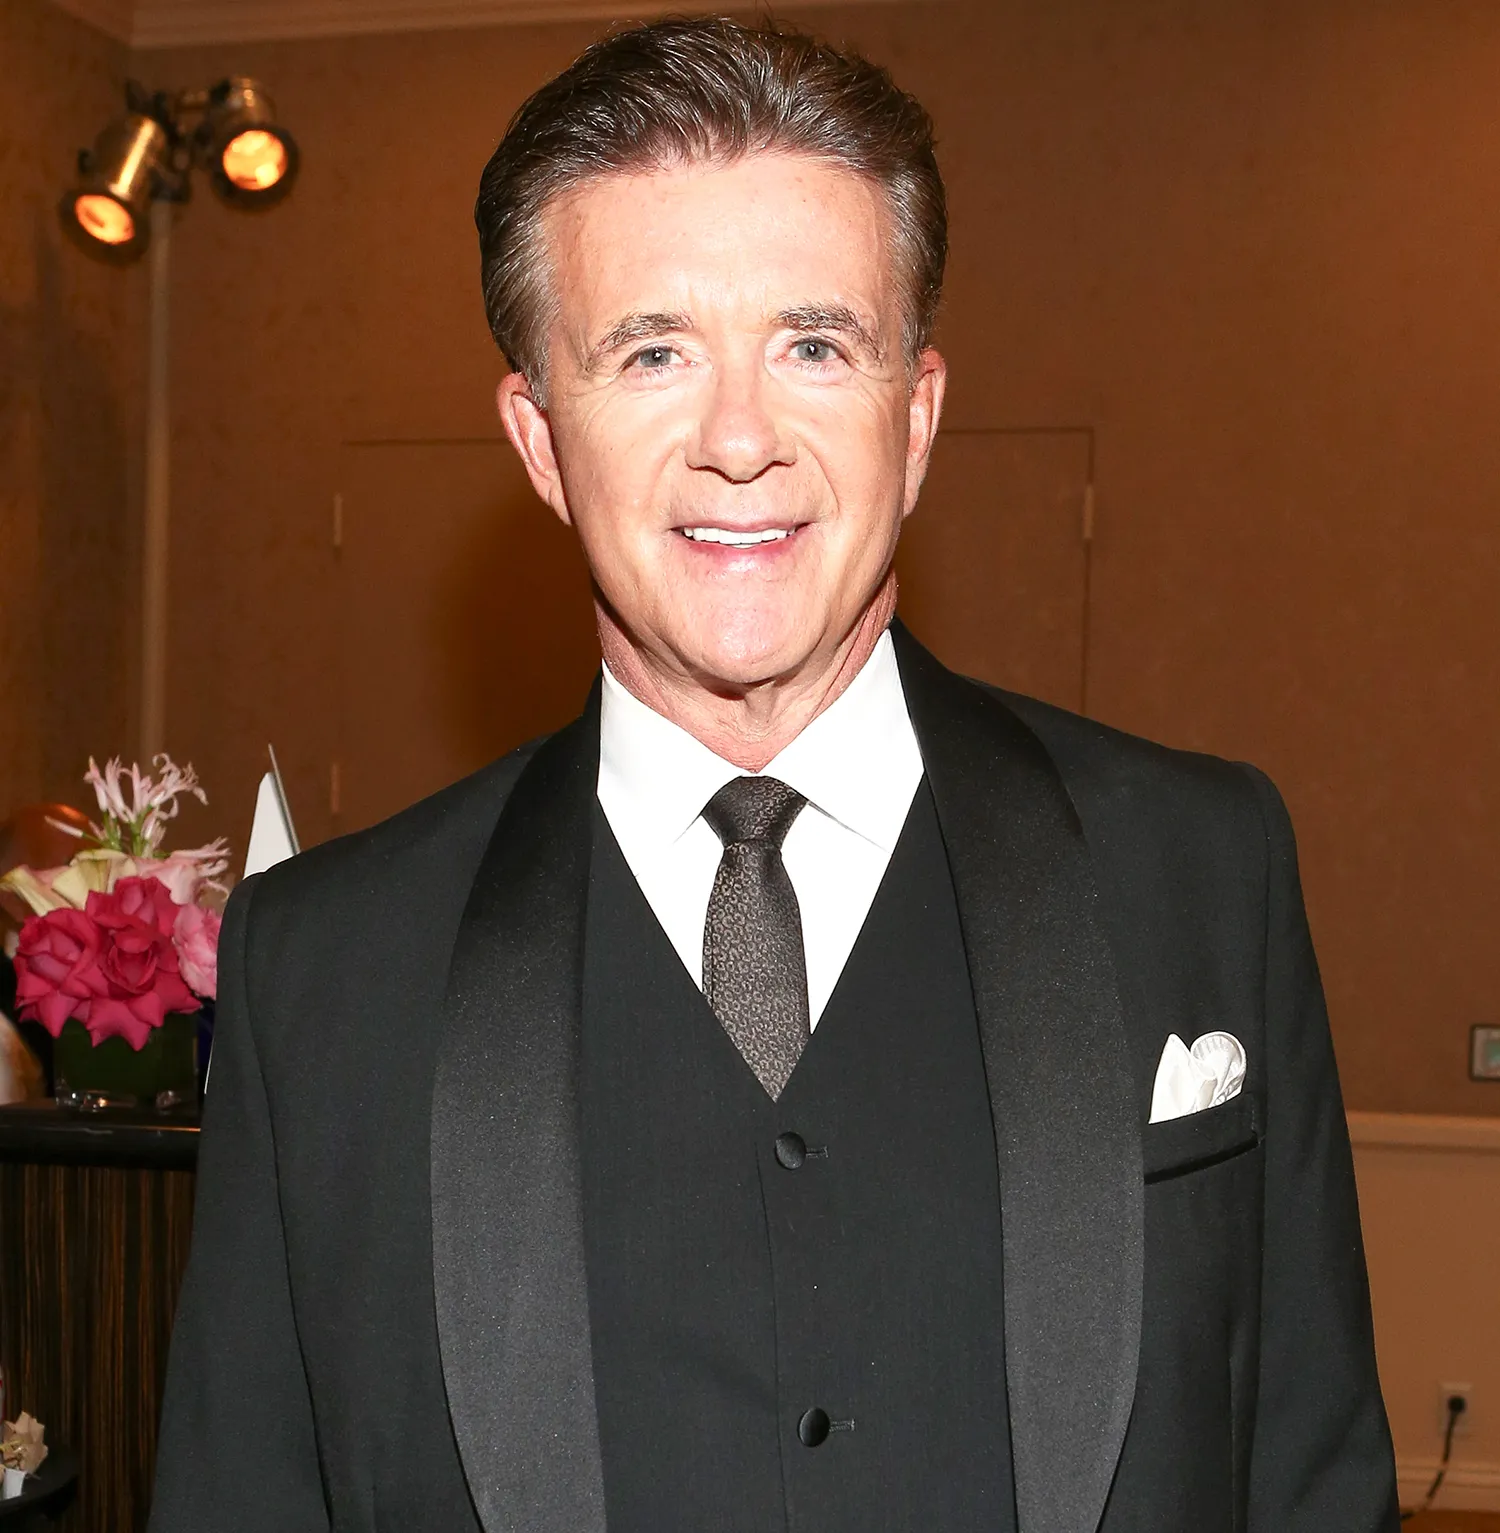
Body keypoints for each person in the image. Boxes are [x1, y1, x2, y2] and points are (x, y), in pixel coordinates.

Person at [149, 18, 1399, 1532]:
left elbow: (1314, 1481)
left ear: (915, 418)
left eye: (814, 346)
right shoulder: (328, 972)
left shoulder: (1199, 867)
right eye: (654, 354)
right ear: (540, 441)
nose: (740, 440)